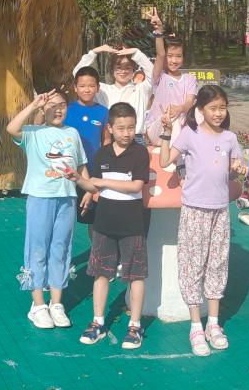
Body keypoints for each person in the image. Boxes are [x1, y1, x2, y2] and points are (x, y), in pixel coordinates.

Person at [159, 84, 246, 356]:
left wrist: (239, 170)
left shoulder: (230, 138)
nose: (218, 113)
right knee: (193, 265)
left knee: (217, 264)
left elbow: (234, 172)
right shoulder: (190, 134)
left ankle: (213, 324)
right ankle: (195, 326)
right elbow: (165, 161)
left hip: (220, 211)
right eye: (213, 108)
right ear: (200, 110)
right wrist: (165, 131)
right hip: (194, 210)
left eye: (222, 108)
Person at [63, 102, 150, 350]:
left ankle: (135, 325)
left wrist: (103, 182)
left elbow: (135, 186)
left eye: (131, 127)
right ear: (110, 128)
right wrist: (79, 179)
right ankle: (98, 322)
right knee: (101, 274)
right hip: (103, 225)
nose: (126, 133)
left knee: (135, 276)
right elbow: (93, 186)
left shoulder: (140, 153)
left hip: (132, 226)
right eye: (121, 128)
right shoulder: (102, 154)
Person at [7, 88, 88, 329]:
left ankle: (56, 303)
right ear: (44, 109)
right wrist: (34, 105)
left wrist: (88, 190)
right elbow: (11, 128)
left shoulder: (72, 133)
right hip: (41, 197)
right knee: (38, 248)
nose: (58, 110)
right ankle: (38, 305)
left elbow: (81, 165)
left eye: (62, 105)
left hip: (67, 198)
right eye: (52, 106)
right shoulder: (34, 132)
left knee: (61, 248)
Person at [72, 44, 154, 140]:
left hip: (135, 139)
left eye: (127, 68)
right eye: (118, 67)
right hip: (108, 139)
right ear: (112, 69)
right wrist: (94, 52)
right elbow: (78, 74)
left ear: (133, 70)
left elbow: (154, 75)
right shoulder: (102, 90)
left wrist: (137, 53)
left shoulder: (141, 89)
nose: (123, 71)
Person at [63, 67, 110, 226]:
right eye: (82, 86)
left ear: (98, 87)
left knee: (91, 218)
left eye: (91, 85)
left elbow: (106, 140)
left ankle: (94, 244)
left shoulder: (103, 112)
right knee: (66, 217)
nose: (87, 89)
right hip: (67, 170)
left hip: (91, 172)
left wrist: (102, 167)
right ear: (75, 88)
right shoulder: (66, 110)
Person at [145, 8, 197, 144]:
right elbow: (160, 54)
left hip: (179, 126)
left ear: (183, 58)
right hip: (157, 128)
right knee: (171, 119)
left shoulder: (190, 79)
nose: (174, 60)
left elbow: (189, 102)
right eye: (170, 56)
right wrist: (158, 30)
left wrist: (180, 109)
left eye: (178, 56)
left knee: (196, 114)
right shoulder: (159, 76)